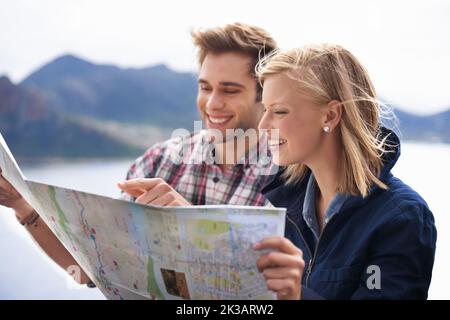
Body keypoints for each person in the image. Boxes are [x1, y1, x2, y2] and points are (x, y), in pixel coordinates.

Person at [0, 23, 278, 286]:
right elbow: (91, 271)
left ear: (264, 95)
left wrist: (194, 228)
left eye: (229, 90)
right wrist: (23, 205)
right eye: (205, 87)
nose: (213, 103)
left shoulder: (291, 179)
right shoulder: (158, 161)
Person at [252, 44, 437, 299]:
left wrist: (297, 295)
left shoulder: (402, 217)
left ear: (330, 115)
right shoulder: (286, 205)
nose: (263, 125)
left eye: (279, 111)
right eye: (264, 110)